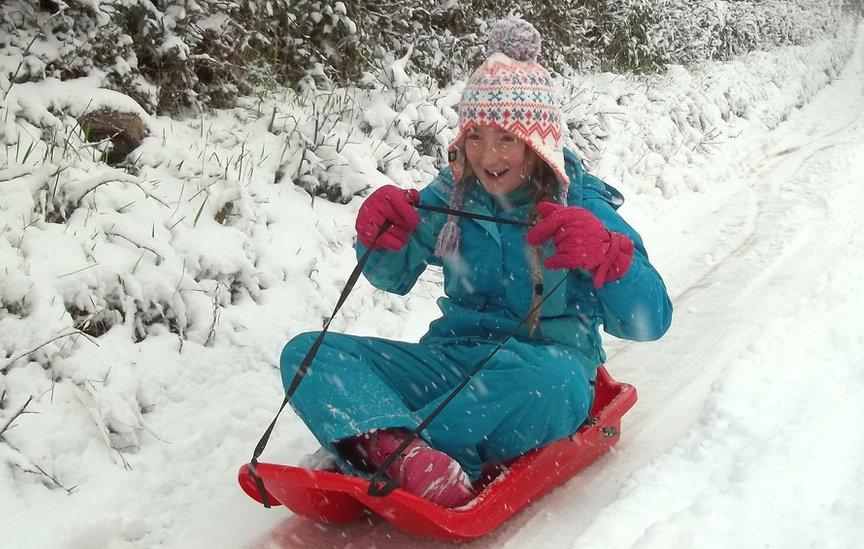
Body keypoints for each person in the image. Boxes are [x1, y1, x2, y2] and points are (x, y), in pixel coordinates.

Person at [278, 17, 672, 508]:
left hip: (543, 366)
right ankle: (406, 453)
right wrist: (378, 237)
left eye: (506, 138)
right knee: (306, 354)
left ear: (537, 143)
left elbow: (650, 321)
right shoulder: (451, 196)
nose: (488, 154)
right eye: (476, 136)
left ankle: (384, 440)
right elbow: (391, 278)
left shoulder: (582, 208)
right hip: (451, 362)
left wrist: (611, 259)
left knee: (554, 385)